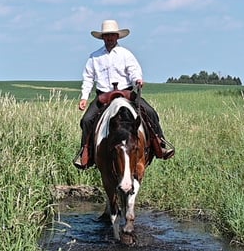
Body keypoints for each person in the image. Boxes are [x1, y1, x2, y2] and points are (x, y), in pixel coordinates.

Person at [73, 19, 175, 170]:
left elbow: (134, 70)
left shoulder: (125, 54)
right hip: (104, 95)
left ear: (117, 36)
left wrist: (137, 80)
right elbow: (88, 78)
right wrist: (84, 97)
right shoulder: (94, 57)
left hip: (126, 92)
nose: (109, 38)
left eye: (112, 35)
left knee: (150, 112)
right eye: (107, 36)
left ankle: (160, 144)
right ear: (103, 37)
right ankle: (86, 153)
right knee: (87, 120)